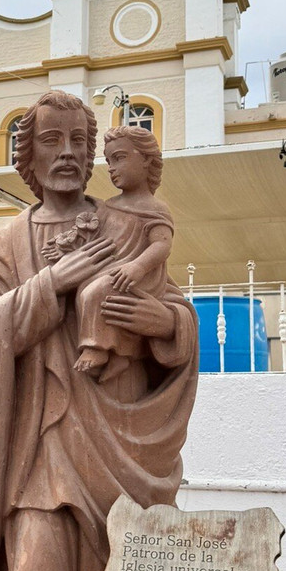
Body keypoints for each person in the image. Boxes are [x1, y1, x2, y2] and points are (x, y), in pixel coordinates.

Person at [0, 91, 198, 571]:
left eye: (77, 141)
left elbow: (175, 310)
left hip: (120, 446)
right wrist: (51, 284)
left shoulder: (123, 224)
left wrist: (162, 323)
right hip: (40, 449)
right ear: (28, 156)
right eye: (51, 140)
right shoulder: (9, 242)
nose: (66, 153)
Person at [67, 125, 173, 383]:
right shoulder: (109, 206)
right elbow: (95, 236)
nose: (111, 168)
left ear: (146, 159)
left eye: (119, 158)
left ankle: (95, 348)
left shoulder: (155, 208)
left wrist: (137, 267)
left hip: (137, 276)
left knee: (95, 292)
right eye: (109, 161)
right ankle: (120, 355)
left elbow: (161, 245)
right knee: (84, 289)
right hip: (111, 270)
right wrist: (69, 244)